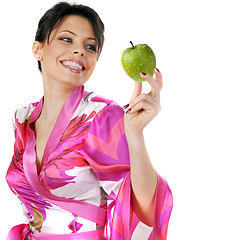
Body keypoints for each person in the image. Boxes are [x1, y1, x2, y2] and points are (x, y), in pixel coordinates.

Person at [5, 2, 173, 239]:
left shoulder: (101, 116)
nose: (80, 51)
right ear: (37, 49)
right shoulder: (23, 118)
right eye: (66, 39)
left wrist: (135, 135)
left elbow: (139, 204)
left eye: (90, 46)